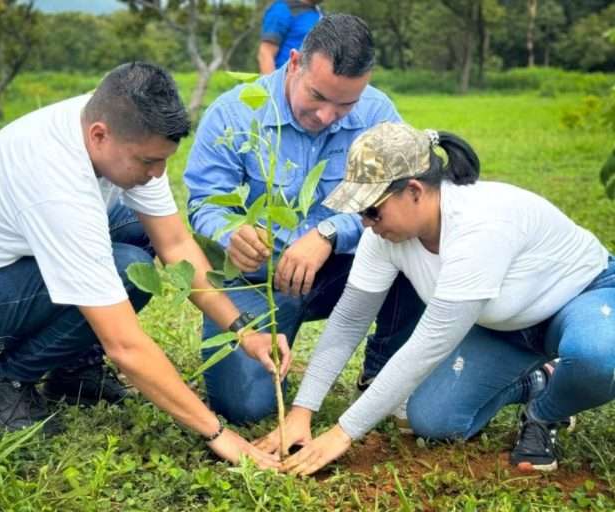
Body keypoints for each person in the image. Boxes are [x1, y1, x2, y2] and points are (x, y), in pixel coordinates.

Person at [0, 62, 290, 468]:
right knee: (128, 270)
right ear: (99, 136)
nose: (157, 175)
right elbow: (125, 345)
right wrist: (220, 435)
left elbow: (175, 243)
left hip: (12, 263)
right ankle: (6, 380)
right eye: (148, 162)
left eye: (164, 161)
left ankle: (72, 370)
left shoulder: (117, 124)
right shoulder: (57, 184)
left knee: (139, 229)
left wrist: (243, 331)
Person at [257, 121, 615, 475]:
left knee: (599, 357)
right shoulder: (382, 237)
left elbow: (427, 345)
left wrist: (342, 433)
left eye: (371, 210)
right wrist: (301, 412)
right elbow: (350, 320)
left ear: (414, 191)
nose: (366, 223)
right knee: (434, 420)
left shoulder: (478, 226)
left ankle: (544, 414)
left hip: (581, 299)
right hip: (505, 325)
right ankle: (541, 380)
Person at [185, 14, 424, 425]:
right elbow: (204, 201)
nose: (328, 115)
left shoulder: (377, 111)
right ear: (294, 62)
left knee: (412, 244)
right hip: (259, 275)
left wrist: (330, 232)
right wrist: (231, 232)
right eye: (317, 96)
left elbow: (399, 199)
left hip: (342, 270)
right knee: (244, 408)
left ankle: (381, 373)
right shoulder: (235, 114)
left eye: (345, 103)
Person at [258, 0, 324, 75]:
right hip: (285, 81)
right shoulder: (281, 9)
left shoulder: (319, 12)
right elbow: (266, 53)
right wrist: (272, 86)